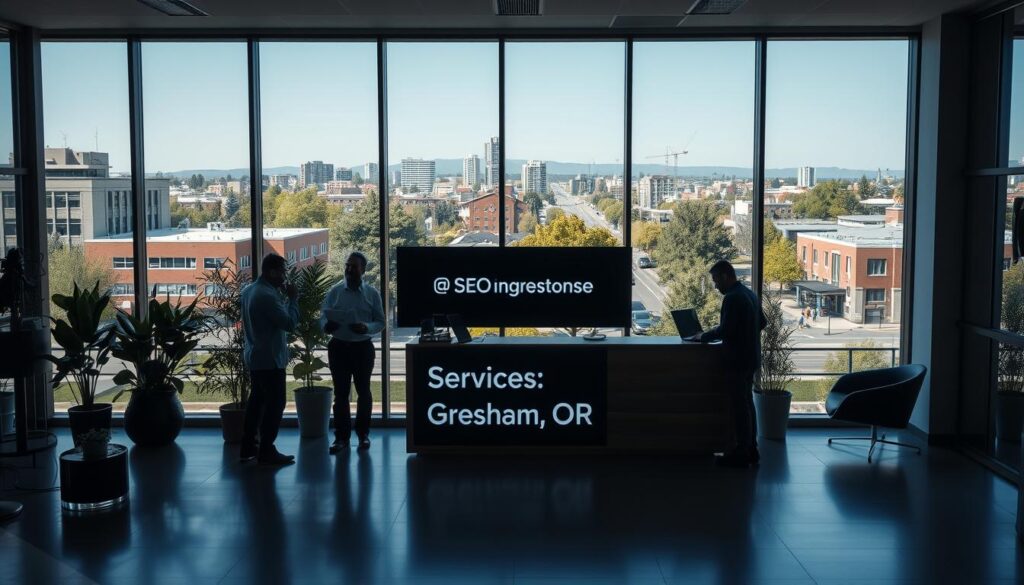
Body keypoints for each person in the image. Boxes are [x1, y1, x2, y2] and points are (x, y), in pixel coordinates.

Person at [687, 260, 766, 468]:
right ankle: (751, 448)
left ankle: (741, 453)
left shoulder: (732, 298)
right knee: (748, 404)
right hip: (751, 358)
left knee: (740, 407)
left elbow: (725, 330)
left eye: (715, 281)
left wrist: (702, 336)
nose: (715, 286)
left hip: (737, 360)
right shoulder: (749, 294)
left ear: (724, 276)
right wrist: (746, 334)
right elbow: (763, 322)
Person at [321, 252, 385, 454]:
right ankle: (341, 438)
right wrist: (326, 326)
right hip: (338, 346)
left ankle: (363, 435)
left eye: (354, 267)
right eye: (347, 266)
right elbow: (323, 317)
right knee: (340, 394)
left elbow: (381, 322)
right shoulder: (335, 291)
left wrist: (366, 327)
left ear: (363, 270)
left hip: (362, 348)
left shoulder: (372, 294)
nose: (349, 270)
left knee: (363, 392)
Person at [240, 253, 298, 465]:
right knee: (275, 405)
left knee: (256, 403)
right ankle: (266, 449)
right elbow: (289, 324)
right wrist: (293, 299)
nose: (284, 276)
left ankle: (248, 447)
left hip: (255, 357)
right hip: (270, 360)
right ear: (272, 272)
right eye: (282, 271)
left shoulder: (249, 291)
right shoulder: (267, 296)